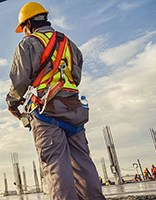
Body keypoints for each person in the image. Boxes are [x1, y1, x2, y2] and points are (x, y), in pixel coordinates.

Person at [6, 2, 105, 200]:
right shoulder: (69, 43)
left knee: (56, 166)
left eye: (23, 28)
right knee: (83, 164)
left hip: (46, 112)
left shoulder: (28, 44)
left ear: (28, 24)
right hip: (74, 109)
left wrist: (12, 103)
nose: (23, 32)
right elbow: (75, 76)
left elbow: (20, 80)